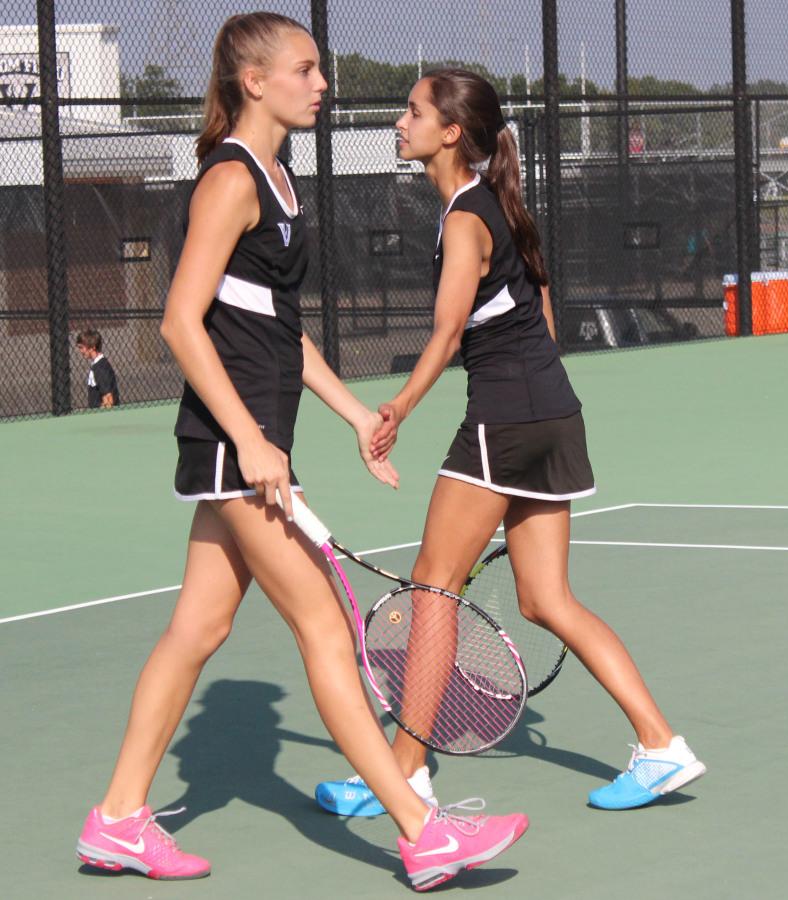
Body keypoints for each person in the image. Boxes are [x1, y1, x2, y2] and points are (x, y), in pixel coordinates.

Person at [74, 20, 526, 891]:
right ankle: (421, 831)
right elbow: (179, 320)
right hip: (233, 442)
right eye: (306, 69)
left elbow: (281, 329)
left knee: (198, 628)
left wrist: (357, 414)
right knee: (326, 624)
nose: (323, 83)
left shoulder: (280, 182)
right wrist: (248, 439)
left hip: (254, 441)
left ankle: (118, 819)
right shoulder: (230, 180)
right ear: (252, 80)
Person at [315, 68, 705, 816]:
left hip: (504, 420)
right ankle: (662, 746)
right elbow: (542, 304)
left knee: (432, 589)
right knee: (545, 598)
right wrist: (534, 389)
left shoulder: (465, 216)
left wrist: (392, 408)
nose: (400, 123)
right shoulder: (498, 204)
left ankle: (404, 775)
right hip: (552, 414)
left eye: (412, 112)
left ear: (451, 132)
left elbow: (447, 334)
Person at [75, 329, 120, 408]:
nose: (80, 351)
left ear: (92, 347)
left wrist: (97, 410)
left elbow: (109, 401)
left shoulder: (100, 368)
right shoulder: (98, 365)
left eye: (81, 347)